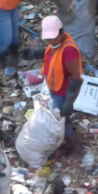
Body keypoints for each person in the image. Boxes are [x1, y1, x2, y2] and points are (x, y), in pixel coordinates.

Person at [21, 15, 83, 154]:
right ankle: (69, 131)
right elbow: (51, 56)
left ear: (61, 32)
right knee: (61, 116)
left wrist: (69, 101)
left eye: (53, 37)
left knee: (59, 120)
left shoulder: (69, 50)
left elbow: (76, 78)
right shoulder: (55, 44)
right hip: (54, 88)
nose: (50, 41)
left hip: (63, 92)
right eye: (48, 38)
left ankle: (76, 147)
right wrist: (35, 54)